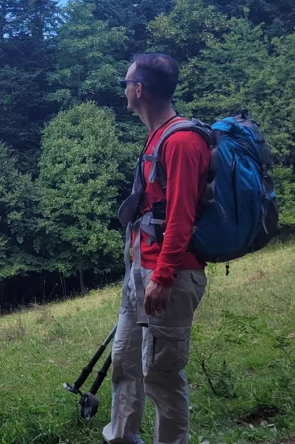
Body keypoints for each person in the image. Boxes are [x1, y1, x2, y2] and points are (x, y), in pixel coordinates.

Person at [103, 53, 210, 444]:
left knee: (162, 375)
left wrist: (162, 276)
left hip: (171, 275)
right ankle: (121, 437)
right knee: (125, 358)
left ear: (139, 89)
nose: (124, 90)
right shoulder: (158, 135)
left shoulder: (181, 141)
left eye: (125, 83)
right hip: (141, 270)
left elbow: (181, 218)